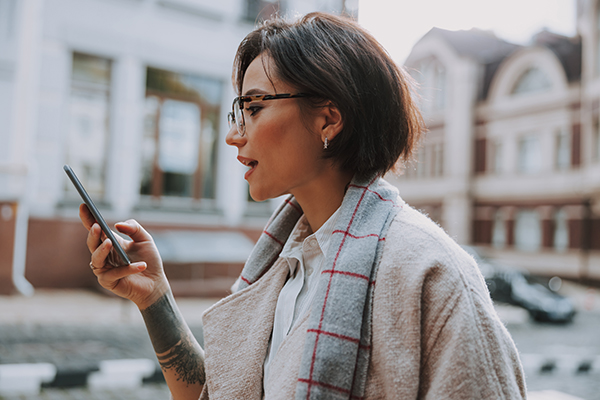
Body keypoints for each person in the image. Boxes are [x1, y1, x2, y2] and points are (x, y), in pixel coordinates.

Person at [79, 11, 526, 400]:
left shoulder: (431, 274)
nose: (235, 135)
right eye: (240, 111)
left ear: (328, 119)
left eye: (254, 107)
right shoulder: (282, 268)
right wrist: (155, 298)